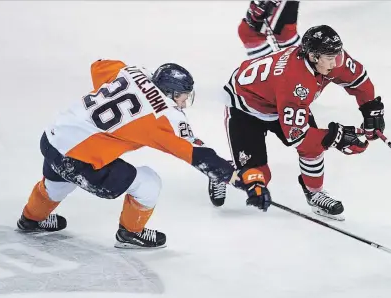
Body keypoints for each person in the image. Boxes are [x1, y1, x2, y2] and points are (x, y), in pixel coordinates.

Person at [17, 59, 271, 248]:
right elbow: (199, 154)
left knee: (57, 184)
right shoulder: (164, 117)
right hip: (79, 161)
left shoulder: (128, 71)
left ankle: (30, 219)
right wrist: (238, 178)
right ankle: (131, 233)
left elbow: (99, 65)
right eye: (182, 97)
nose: (183, 103)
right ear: (171, 93)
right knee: (149, 182)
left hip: (52, 139)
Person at [209, 25, 385, 221]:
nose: (336, 63)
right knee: (258, 177)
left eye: (337, 55)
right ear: (313, 56)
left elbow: (359, 81)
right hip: (246, 108)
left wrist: (371, 110)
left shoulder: (333, 58)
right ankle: (220, 170)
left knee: (314, 149)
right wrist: (336, 137)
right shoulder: (294, 81)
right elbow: (299, 138)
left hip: (279, 101)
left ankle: (315, 193)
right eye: (329, 58)